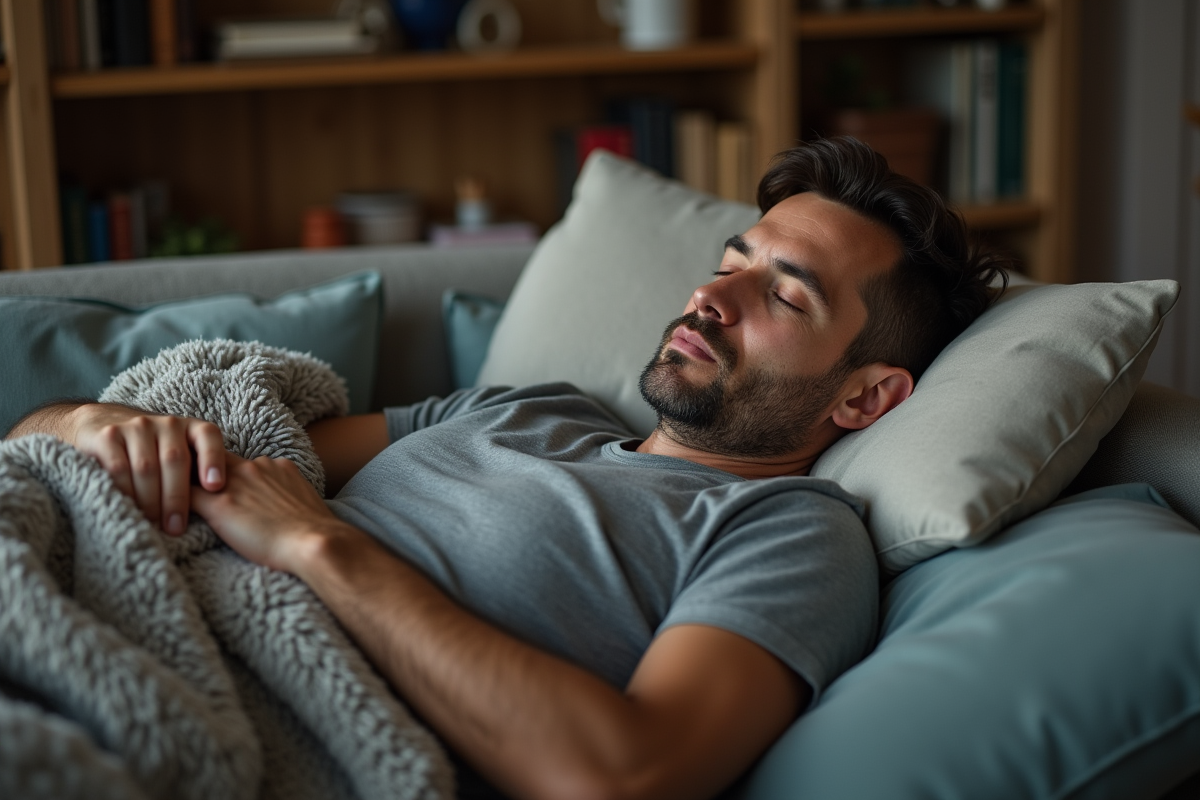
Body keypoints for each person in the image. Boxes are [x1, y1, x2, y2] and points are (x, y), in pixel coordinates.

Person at [8, 137, 1008, 800]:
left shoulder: (791, 531)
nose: (713, 298)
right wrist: (91, 424)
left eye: (783, 296)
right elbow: (198, 439)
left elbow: (626, 772)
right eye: (731, 259)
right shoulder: (528, 406)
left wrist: (321, 545)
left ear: (865, 398)